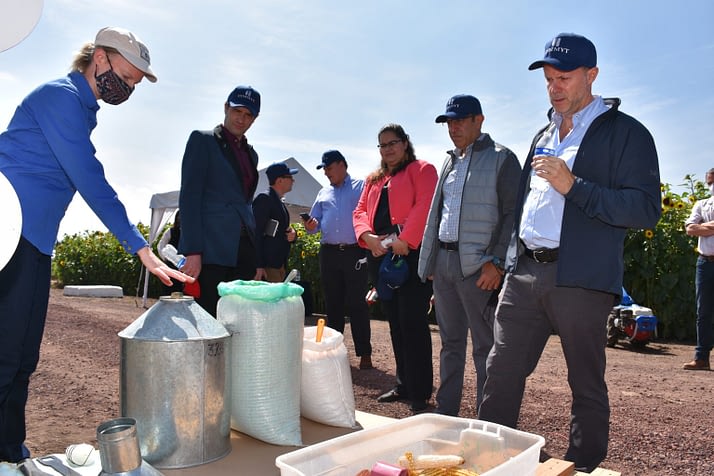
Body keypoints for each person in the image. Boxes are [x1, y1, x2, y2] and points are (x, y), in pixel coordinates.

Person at [0, 27, 192, 464]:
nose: (130, 87)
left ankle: (8, 450)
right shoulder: (60, 97)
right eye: (128, 76)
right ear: (101, 58)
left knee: (22, 358)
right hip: (9, 235)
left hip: (33, 243)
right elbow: (90, 178)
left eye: (136, 83)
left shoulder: (83, 110)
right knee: (5, 354)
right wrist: (139, 245)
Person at [478, 33, 661, 472]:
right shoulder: (542, 133)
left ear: (592, 75)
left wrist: (574, 186)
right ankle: (500, 459)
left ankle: (582, 466)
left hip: (580, 278)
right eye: (547, 79)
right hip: (524, 272)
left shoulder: (627, 134)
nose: (554, 87)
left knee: (584, 381)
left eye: (563, 77)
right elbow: (523, 205)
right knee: (500, 370)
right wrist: (508, 258)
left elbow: (645, 209)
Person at [417, 95, 521, 416]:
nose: (454, 127)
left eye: (461, 120)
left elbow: (513, 215)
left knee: (485, 348)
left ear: (480, 120)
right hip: (446, 266)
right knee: (450, 345)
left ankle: (487, 421)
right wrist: (432, 260)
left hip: (480, 268)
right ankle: (446, 414)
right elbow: (439, 214)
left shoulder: (503, 159)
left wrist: (498, 262)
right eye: (449, 121)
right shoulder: (450, 161)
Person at [353, 123, 437, 413]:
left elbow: (425, 206)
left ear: (405, 143)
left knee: (413, 324)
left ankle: (420, 391)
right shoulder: (373, 179)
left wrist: (407, 239)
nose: (387, 149)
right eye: (382, 144)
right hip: (381, 255)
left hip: (410, 255)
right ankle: (403, 384)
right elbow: (360, 211)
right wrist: (367, 237)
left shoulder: (423, 170)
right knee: (395, 324)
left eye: (393, 142)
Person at [178, 85, 261, 316]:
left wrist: (255, 257)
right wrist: (193, 251)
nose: (241, 119)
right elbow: (189, 197)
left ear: (254, 119)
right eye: (237, 111)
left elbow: (246, 203)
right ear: (226, 108)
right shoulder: (202, 141)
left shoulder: (251, 154)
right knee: (207, 318)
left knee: (238, 321)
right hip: (211, 249)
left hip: (242, 250)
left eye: (248, 115)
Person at [305, 150, 373, 370]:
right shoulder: (322, 192)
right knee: (332, 304)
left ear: (342, 165)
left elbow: (370, 214)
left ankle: (365, 354)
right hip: (329, 253)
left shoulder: (361, 187)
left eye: (329, 167)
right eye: (323, 168)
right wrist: (311, 226)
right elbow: (315, 224)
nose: (326, 172)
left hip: (355, 252)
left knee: (357, 304)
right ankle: (334, 353)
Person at [682, 168, 714, 371]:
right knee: (703, 311)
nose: (711, 186)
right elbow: (690, 229)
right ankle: (701, 357)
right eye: (709, 182)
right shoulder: (701, 204)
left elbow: (698, 228)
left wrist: (706, 227)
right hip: (704, 263)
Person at [252, 162, 299, 282]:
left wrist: (293, 235)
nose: (293, 181)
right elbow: (256, 233)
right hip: (268, 267)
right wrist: (259, 265)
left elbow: (282, 230)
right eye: (290, 177)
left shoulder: (277, 201)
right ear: (280, 180)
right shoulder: (265, 199)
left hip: (277, 265)